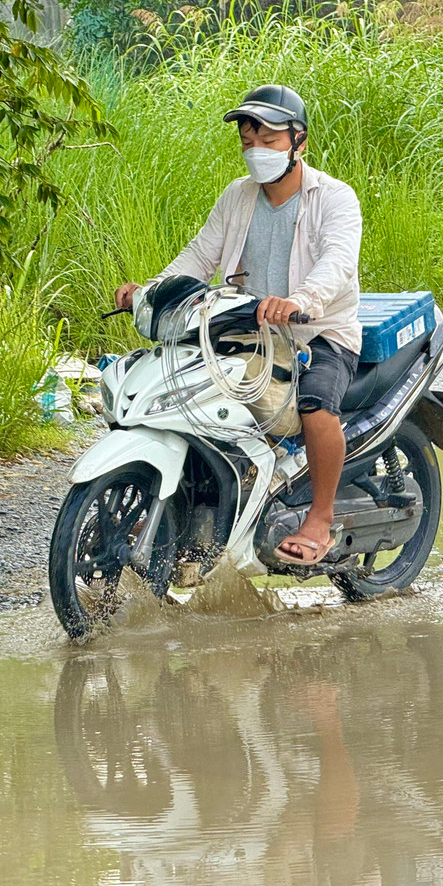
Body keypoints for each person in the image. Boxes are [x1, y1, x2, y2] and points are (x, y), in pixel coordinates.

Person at [115, 84, 363, 566]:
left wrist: (298, 301)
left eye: (269, 140)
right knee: (191, 395)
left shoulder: (334, 197)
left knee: (315, 406)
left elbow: (336, 263)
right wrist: (152, 289)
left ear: (299, 142)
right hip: (248, 330)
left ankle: (320, 518)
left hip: (317, 331)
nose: (256, 151)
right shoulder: (239, 196)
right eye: (248, 142)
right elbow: (199, 255)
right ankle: (192, 504)